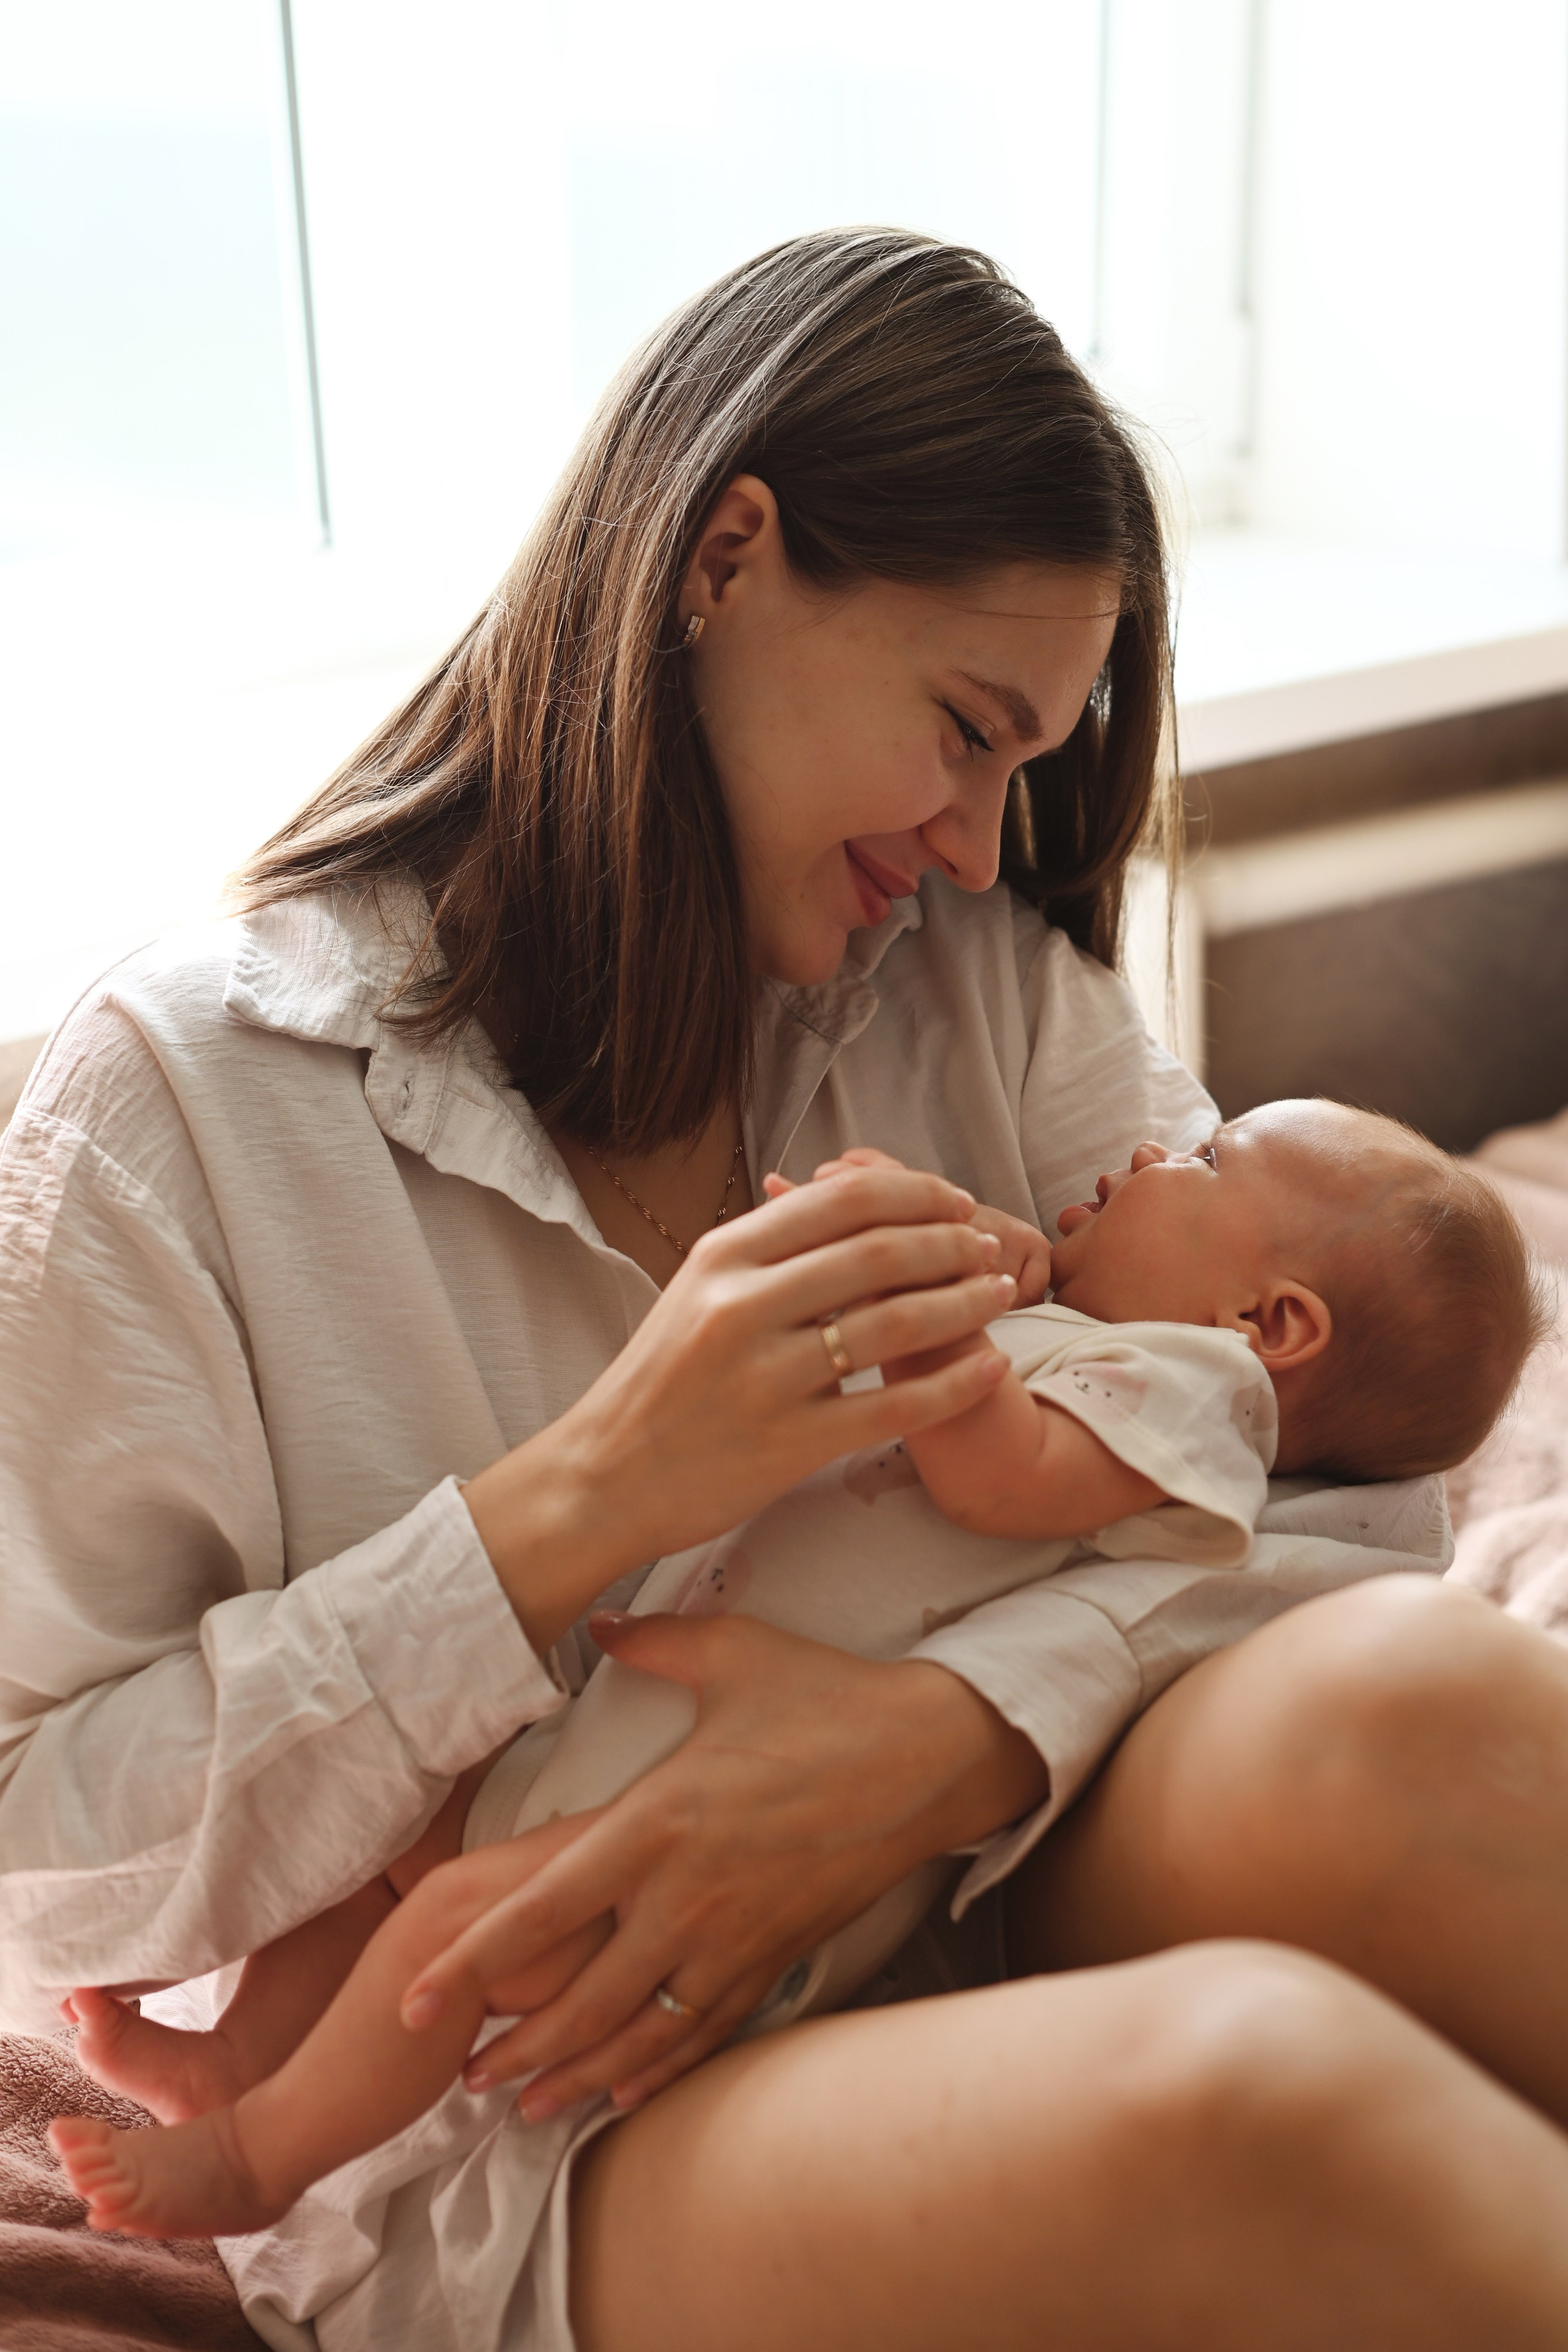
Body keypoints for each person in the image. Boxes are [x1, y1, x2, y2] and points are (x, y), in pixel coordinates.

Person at [5, 230, 1568, 2350]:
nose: (976, 842)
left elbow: (1357, 1497)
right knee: (1247, 2093)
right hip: (531, 2078)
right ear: (725, 556)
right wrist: (575, 1504)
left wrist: (934, 1743)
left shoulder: (981, 1004)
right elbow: (47, 1870)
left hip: (988, 1856)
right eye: (961, 728)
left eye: (1027, 763)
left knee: (1413, 1699)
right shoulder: (181, 1111)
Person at [47, 1096, 1551, 2242]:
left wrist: (931, 1328)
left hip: (708, 1825)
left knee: (443, 1923)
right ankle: (235, 2059)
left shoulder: (1193, 1396)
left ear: (1268, 1326)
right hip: (630, 1742)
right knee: (387, 1841)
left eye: (1207, 1163)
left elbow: (1005, 1479)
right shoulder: (1119, 1344)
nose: (1152, 1150)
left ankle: (256, 2161)